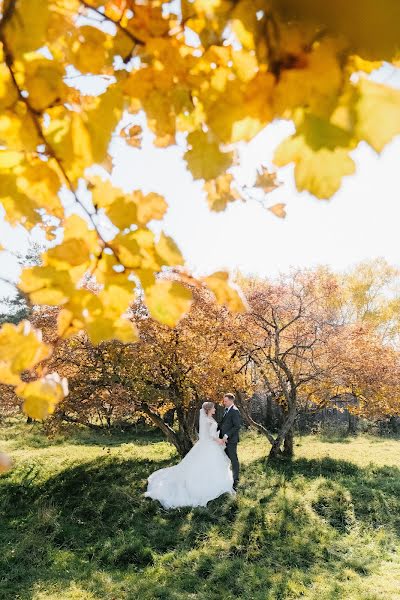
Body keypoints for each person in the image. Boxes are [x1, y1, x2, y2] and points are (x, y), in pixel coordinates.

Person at [144, 401, 234, 509]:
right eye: (213, 408)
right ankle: (205, 486)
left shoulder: (209, 419)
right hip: (209, 445)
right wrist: (220, 441)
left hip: (209, 445)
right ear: (209, 409)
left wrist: (219, 440)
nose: (215, 409)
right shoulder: (207, 420)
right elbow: (210, 435)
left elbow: (210, 434)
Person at [217, 393, 241, 490]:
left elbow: (237, 426)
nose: (224, 402)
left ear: (231, 400)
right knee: (224, 459)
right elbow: (223, 424)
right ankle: (226, 477)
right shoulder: (226, 410)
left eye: (226, 401)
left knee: (233, 459)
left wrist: (227, 435)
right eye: (224, 401)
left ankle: (236, 479)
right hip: (223, 440)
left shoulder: (235, 411)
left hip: (231, 440)